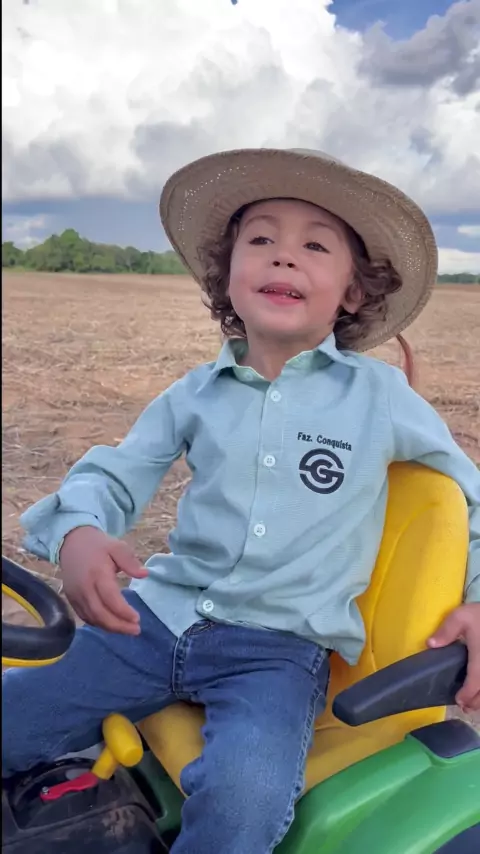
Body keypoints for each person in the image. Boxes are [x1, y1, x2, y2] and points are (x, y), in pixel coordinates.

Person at [2, 148, 479, 854]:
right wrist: (78, 531)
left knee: (245, 798)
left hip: (277, 651)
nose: (283, 256)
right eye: (261, 239)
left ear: (352, 291)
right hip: (154, 621)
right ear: (228, 275)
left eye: (315, 246)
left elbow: (470, 500)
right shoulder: (194, 393)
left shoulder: (381, 398)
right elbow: (114, 474)